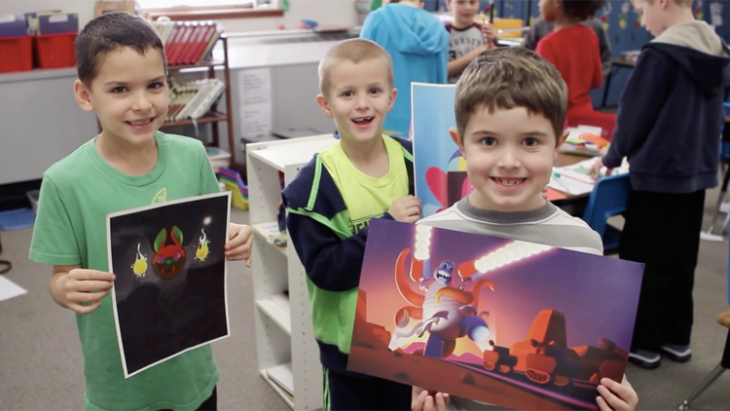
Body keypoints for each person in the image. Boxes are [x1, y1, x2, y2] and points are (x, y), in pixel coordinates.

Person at [28, 12, 253, 411]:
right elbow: (59, 279)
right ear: (85, 95)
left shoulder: (191, 154)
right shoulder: (64, 182)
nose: (142, 104)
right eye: (119, 89)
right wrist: (65, 289)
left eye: (155, 85)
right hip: (119, 384)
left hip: (191, 369)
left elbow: (206, 231)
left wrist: (232, 234)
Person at [410, 47, 640, 411]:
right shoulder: (429, 236)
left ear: (557, 147)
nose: (509, 160)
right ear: (461, 145)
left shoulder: (583, 242)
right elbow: (423, 367)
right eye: (488, 141)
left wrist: (614, 396)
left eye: (530, 142)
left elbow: (596, 360)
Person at [281, 38, 421, 411]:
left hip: (410, 340)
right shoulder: (312, 188)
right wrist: (386, 230)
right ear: (326, 105)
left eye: (373, 91)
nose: (362, 103)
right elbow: (325, 270)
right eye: (347, 93)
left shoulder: (415, 161)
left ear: (391, 98)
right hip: (349, 355)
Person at [589, 0, 730, 369]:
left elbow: (633, 116)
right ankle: (676, 338)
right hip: (697, 175)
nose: (642, 19)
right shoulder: (714, 48)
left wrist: (611, 157)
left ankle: (643, 344)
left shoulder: (659, 54)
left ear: (662, 2)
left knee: (643, 260)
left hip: (657, 177)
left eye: (641, 9)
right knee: (682, 259)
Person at [361, 0, 450, 137]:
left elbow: (359, 73)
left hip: (382, 122)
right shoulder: (437, 27)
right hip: (426, 125)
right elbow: (441, 85)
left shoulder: (377, 18)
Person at [535, 0, 609, 118]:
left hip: (557, 120)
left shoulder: (547, 45)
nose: (539, 4)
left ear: (557, 2)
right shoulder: (590, 36)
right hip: (586, 116)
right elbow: (597, 80)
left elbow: (542, 94)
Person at [523, 15, 612, 82]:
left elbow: (605, 57)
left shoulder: (594, 27)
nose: (540, 3)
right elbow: (523, 54)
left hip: (550, 100)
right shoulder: (539, 24)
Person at [445, 0, 498, 83]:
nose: (467, 7)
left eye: (472, 2)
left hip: (479, 90)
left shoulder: (485, 33)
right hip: (450, 90)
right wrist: (474, 55)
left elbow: (498, 68)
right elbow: (441, 71)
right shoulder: (442, 33)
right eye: (460, 2)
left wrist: (491, 46)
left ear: (479, 3)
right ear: (448, 3)